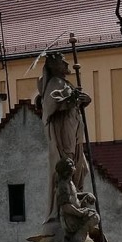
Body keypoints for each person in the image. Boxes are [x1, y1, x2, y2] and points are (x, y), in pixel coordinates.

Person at [36, 52, 91, 224]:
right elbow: (51, 105)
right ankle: (67, 204)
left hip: (73, 128)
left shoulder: (65, 82)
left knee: (82, 167)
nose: (67, 64)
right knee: (69, 162)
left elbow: (75, 101)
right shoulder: (54, 83)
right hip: (63, 130)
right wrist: (71, 99)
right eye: (63, 62)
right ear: (53, 66)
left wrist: (83, 99)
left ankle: (76, 195)